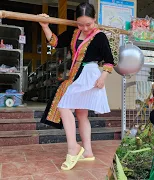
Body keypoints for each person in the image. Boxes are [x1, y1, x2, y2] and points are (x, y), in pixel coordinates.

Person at [39, 2, 115, 171]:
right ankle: (87, 152)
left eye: (88, 24)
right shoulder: (74, 32)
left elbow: (109, 60)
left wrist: (103, 77)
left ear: (95, 19)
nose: (85, 28)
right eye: (80, 24)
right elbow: (56, 42)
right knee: (81, 113)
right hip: (76, 74)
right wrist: (45, 26)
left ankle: (73, 148)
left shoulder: (100, 36)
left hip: (89, 75)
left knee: (64, 106)